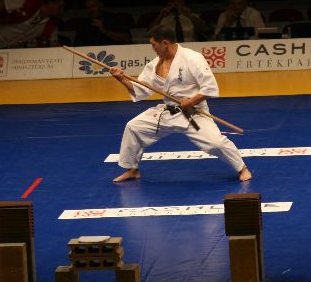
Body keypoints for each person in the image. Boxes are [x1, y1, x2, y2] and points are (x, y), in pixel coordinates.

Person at [108, 25, 252, 183]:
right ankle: (132, 169)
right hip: (168, 112)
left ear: (165, 43)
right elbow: (140, 89)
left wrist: (191, 101)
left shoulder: (192, 58)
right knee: (133, 127)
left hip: (193, 113)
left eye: (153, 44)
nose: (152, 48)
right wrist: (122, 79)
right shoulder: (154, 65)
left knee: (215, 143)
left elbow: (209, 87)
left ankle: (242, 168)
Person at [0, 0, 64, 49]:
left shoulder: (51, 25)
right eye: (60, 7)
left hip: (11, 51)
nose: (62, 11)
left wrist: (59, 47)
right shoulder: (27, 2)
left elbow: (54, 43)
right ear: (51, 3)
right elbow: (3, 2)